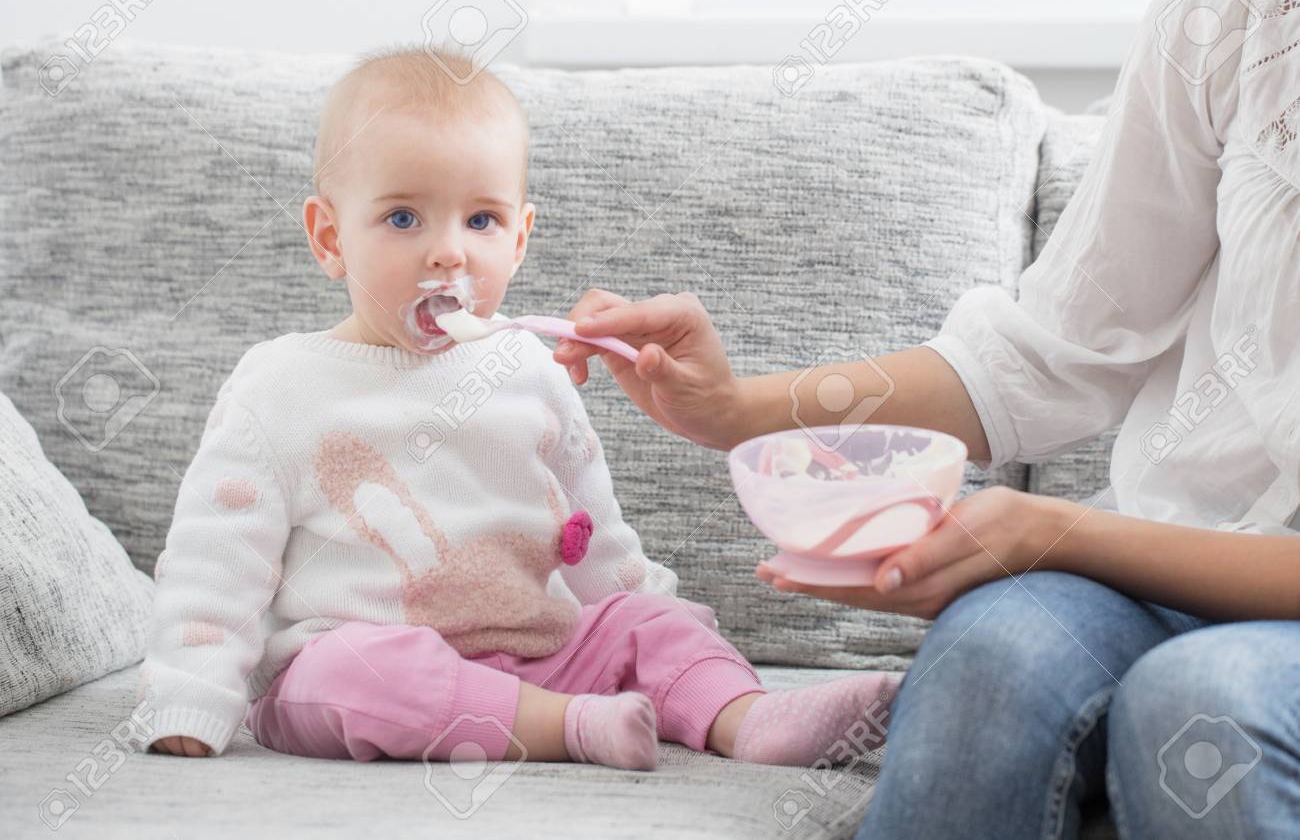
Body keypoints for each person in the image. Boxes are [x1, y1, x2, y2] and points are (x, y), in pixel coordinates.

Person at [553, 0, 1300, 834]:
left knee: (1200, 701)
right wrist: (734, 410)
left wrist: (1055, 531)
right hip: (1153, 565)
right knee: (988, 668)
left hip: (1219, 600)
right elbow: (1047, 353)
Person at [139, 45, 899, 771]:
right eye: (404, 218)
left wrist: (650, 624)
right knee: (347, 671)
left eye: (481, 221)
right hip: (361, 658)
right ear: (330, 238)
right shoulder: (279, 386)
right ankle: (568, 728)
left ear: (521, 238)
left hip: (544, 651)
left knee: (648, 622)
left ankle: (746, 716)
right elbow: (217, 558)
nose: (450, 253)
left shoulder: (531, 369)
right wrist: (190, 694)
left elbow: (597, 533)